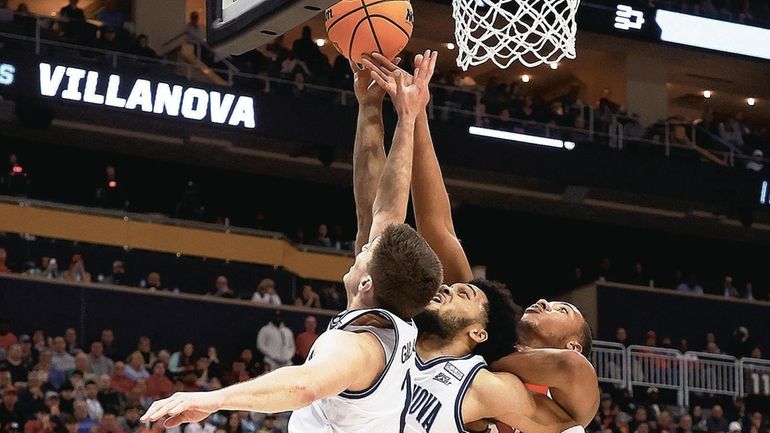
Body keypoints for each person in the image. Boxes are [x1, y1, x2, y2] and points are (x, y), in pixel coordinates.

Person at [140, 51, 442, 433]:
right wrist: (383, 111)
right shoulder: (394, 310)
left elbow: (303, 385)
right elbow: (381, 209)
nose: (363, 245)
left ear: (369, 283)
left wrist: (209, 399)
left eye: (367, 251)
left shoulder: (360, 348)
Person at [358, 52, 599, 433]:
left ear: (572, 343)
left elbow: (570, 368)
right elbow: (439, 228)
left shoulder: (565, 404)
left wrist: (486, 356)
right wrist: (417, 112)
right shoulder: (472, 325)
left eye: (560, 310)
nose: (542, 301)